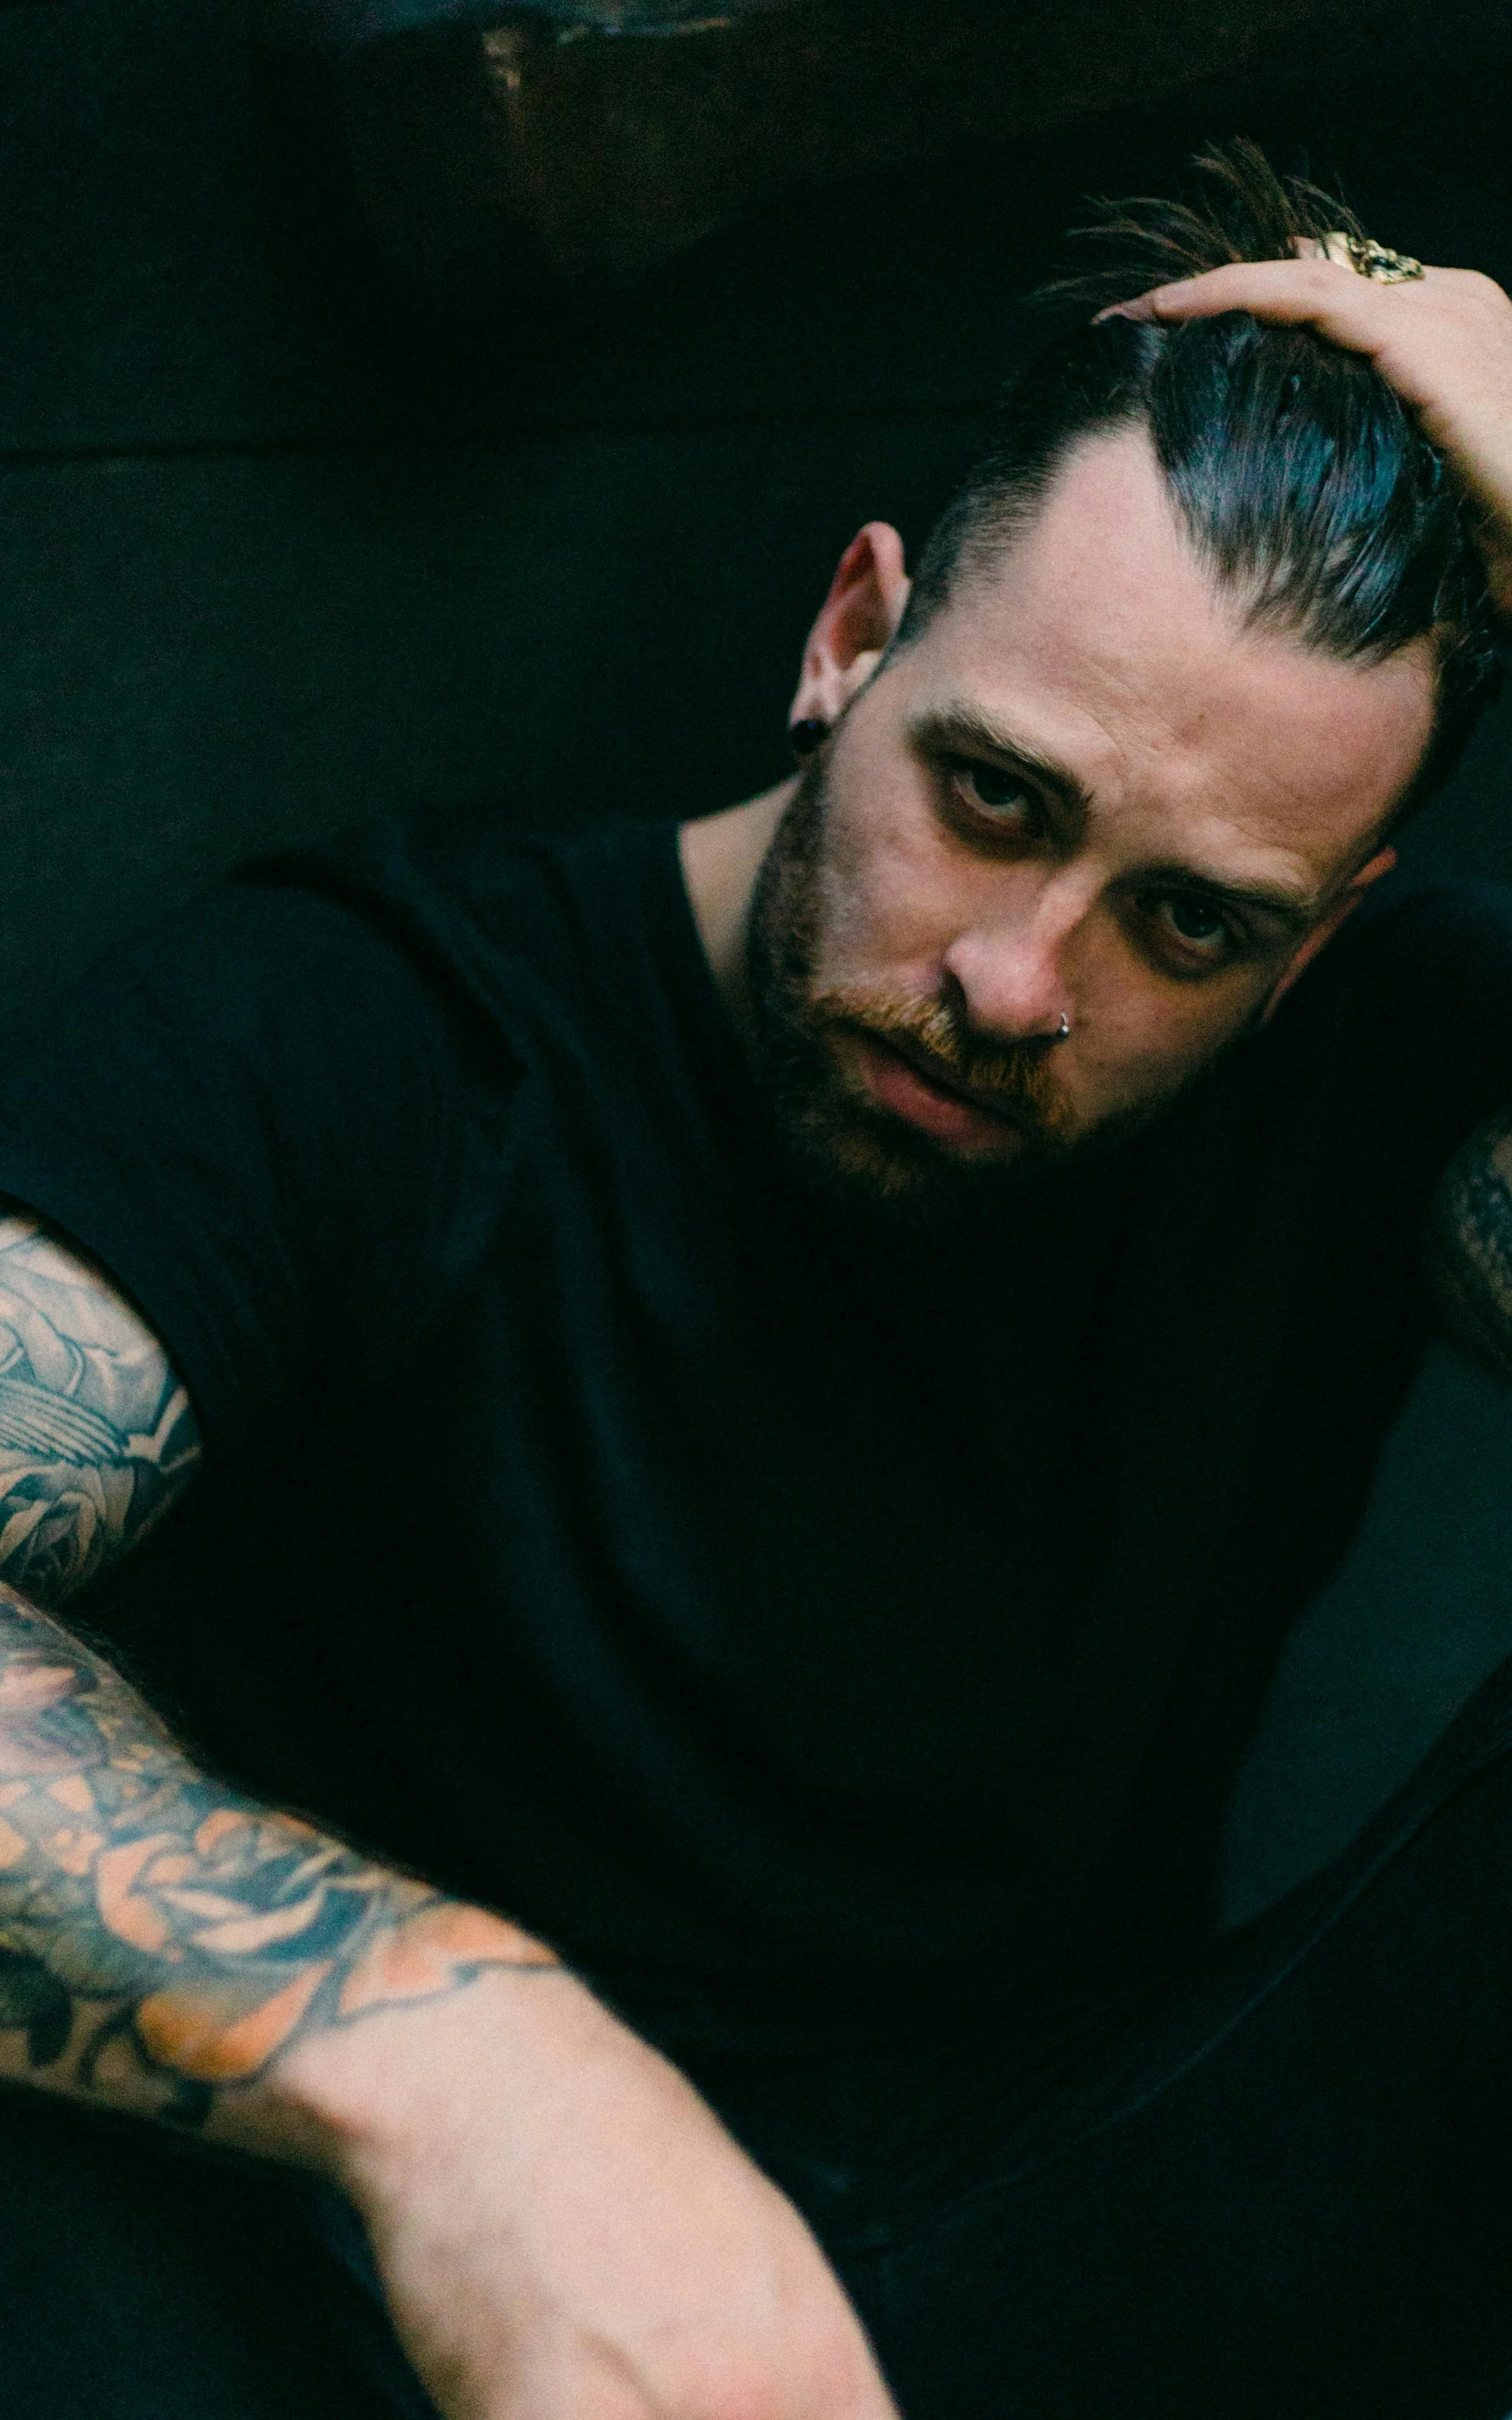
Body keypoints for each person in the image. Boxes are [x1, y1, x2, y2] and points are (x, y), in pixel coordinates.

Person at [1, 140, 1512, 2419]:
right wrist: (470, 2079)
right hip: (343, 2280)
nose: (1016, 982)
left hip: (1056, 2247)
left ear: (1325, 932)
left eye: (1189, 922)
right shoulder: (367, 1027)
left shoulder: (1383, 1061)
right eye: (992, 798)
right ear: (849, 637)